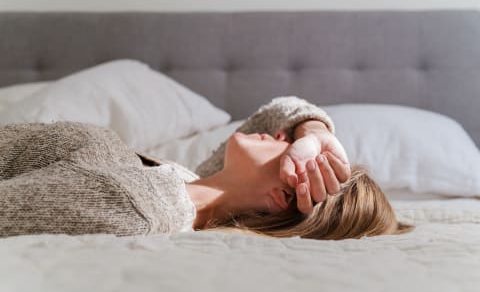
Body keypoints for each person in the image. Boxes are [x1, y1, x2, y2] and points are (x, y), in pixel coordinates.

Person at [0, 96, 413, 239]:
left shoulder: (137, 203)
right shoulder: (190, 182)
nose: (284, 138)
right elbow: (276, 113)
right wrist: (315, 131)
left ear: (282, 195)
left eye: (295, 155)